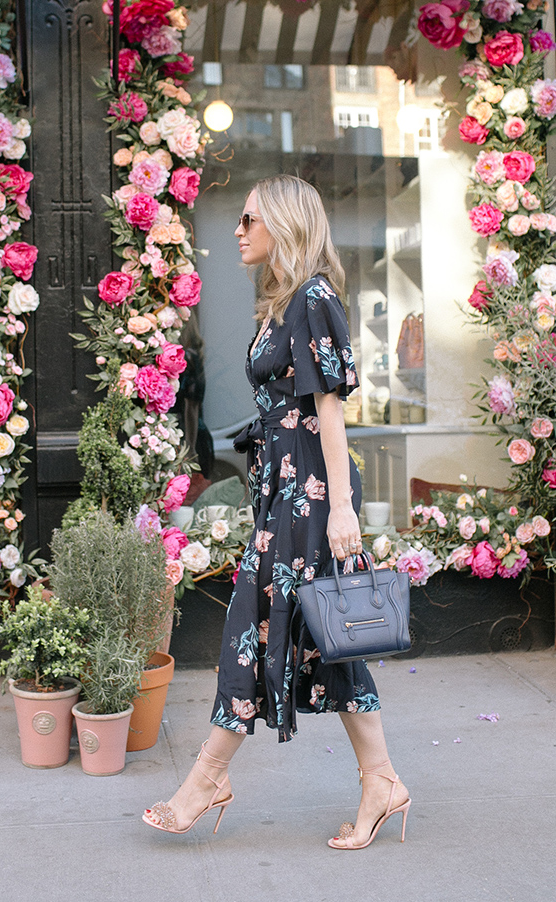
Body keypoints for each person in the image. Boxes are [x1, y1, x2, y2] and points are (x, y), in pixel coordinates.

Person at [142, 175, 410, 849]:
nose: (237, 229)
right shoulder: (283, 301)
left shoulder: (313, 298)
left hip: (312, 496)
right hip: (284, 489)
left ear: (284, 225)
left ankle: (205, 778)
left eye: (249, 219)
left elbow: (329, 410)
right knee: (325, 632)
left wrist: (342, 509)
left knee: (254, 624)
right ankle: (380, 779)